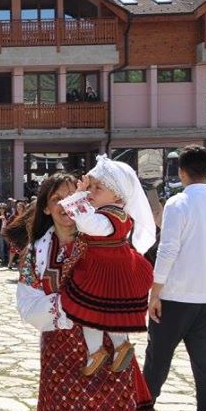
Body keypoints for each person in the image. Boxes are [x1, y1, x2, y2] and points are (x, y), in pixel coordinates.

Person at [9, 173, 168, 411]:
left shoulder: (103, 238)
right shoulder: (35, 252)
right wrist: (73, 306)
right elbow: (27, 307)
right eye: (58, 200)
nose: (68, 207)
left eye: (74, 197)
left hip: (110, 354)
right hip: (61, 358)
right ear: (47, 209)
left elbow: (129, 279)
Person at [144, 146, 206, 411]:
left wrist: (156, 289)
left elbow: (168, 249)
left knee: (157, 359)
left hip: (177, 294)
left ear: (181, 172)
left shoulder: (178, 203)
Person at [57, 156, 155, 376]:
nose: (91, 191)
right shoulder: (118, 215)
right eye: (90, 186)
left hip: (102, 271)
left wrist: (79, 195)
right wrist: (84, 194)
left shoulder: (109, 217)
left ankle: (97, 352)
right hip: (111, 268)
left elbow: (86, 223)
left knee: (89, 315)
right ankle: (119, 347)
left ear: (117, 194)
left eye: (97, 187)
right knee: (110, 315)